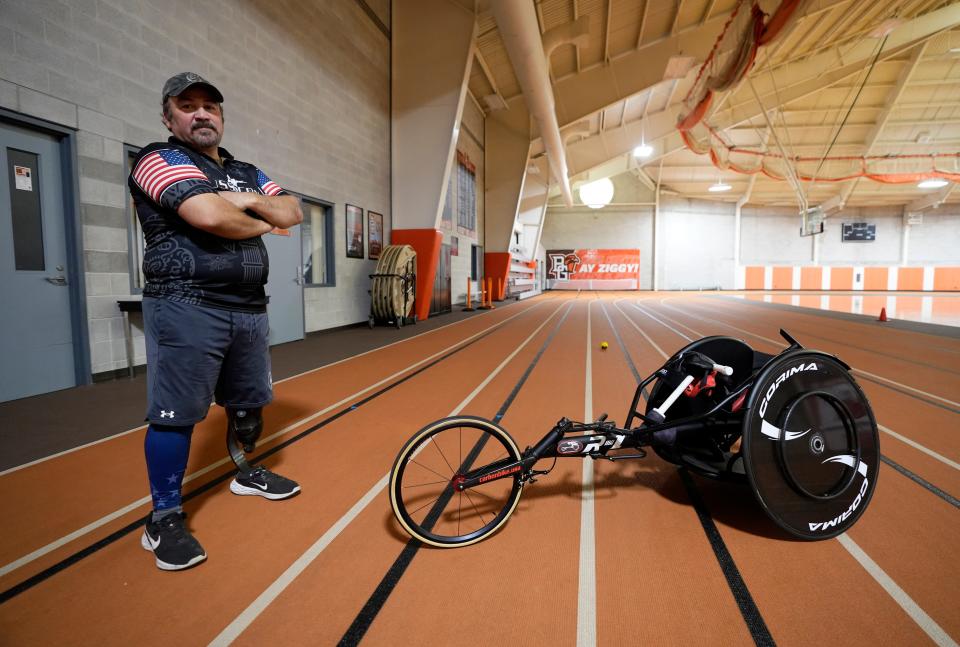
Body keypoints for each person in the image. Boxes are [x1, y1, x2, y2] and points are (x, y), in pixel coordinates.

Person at [128, 73, 304, 571]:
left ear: (222, 118)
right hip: (185, 304)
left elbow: (293, 210)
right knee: (177, 416)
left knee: (249, 404)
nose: (202, 114)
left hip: (248, 306)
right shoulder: (156, 159)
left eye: (211, 106)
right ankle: (162, 517)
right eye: (188, 106)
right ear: (169, 118)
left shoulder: (246, 169)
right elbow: (207, 215)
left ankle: (245, 471)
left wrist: (248, 201)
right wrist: (263, 220)